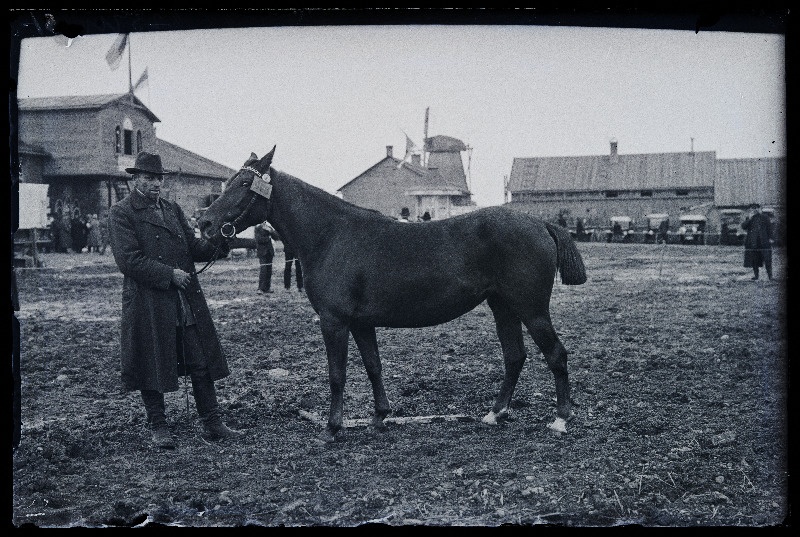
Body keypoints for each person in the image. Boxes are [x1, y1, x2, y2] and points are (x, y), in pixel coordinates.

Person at [109, 151, 238, 449]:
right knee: (151, 363)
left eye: (158, 179)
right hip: (148, 301)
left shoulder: (172, 209)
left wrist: (219, 241)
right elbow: (129, 260)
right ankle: (159, 427)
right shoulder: (122, 212)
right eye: (149, 178)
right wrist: (169, 274)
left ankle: (213, 422)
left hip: (183, 301)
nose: (155, 184)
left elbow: (194, 247)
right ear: (135, 180)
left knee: (200, 359)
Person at [741, 203, 773, 281]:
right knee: (754, 260)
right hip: (753, 243)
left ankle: (770, 276)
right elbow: (743, 227)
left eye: (756, 208)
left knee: (767, 259)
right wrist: (749, 218)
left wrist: (770, 238)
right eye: (752, 208)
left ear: (759, 209)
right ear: (750, 210)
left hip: (764, 242)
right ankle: (756, 276)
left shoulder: (765, 217)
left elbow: (770, 228)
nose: (754, 210)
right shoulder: (749, 218)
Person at [254, 220, 279, 293]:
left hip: (269, 251)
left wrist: (270, 231)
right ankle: (260, 288)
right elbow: (258, 239)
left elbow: (277, 237)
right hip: (262, 252)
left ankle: (267, 288)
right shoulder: (257, 227)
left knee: (269, 270)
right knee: (263, 270)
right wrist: (268, 238)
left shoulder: (269, 227)